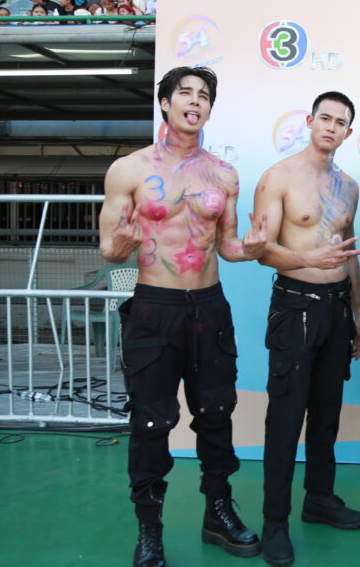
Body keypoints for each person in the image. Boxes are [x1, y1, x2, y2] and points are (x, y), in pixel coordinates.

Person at [98, 66, 267, 567]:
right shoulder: (128, 170)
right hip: (154, 308)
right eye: (185, 93)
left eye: (204, 95)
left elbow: (228, 245)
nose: (195, 101)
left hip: (209, 307)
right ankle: (149, 530)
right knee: (151, 422)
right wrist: (120, 246)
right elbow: (108, 248)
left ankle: (218, 513)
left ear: (210, 109)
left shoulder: (224, 174)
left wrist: (252, 248)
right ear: (165, 103)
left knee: (216, 414)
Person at [251, 92, 360, 566]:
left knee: (326, 413)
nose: (331, 126)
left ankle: (319, 498)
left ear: (348, 132)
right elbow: (261, 250)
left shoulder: (350, 186)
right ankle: (275, 520)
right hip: (295, 304)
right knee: (285, 417)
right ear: (310, 121)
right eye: (325, 117)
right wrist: (306, 258)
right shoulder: (278, 177)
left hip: (337, 308)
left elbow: (347, 253)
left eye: (341, 122)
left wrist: (358, 314)